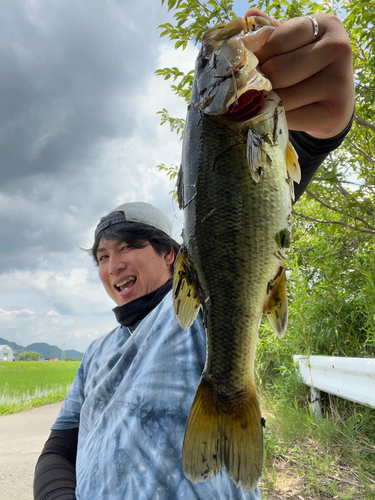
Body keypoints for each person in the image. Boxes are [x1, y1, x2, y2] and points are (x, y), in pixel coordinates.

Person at [33, 10, 355, 500]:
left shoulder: (190, 319)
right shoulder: (96, 354)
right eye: (101, 255)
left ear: (173, 259)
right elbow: (60, 445)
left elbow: (253, 205)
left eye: (129, 246)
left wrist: (319, 127)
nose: (112, 264)